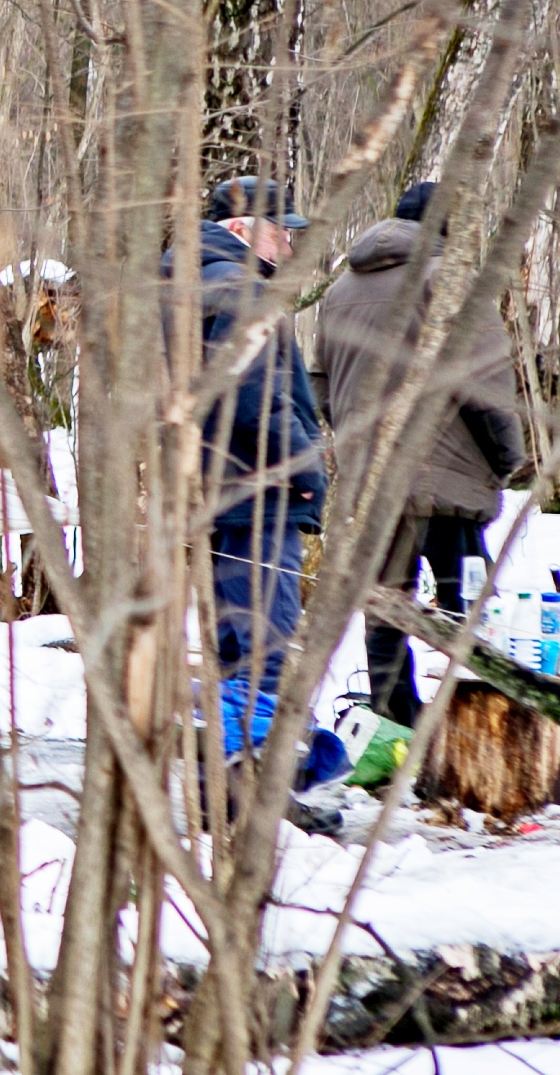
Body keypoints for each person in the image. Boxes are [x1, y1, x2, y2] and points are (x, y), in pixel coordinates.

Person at [313, 182, 526, 726]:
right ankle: (477, 735)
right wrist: (507, 457)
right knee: (476, 619)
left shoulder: (340, 291)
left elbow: (319, 386)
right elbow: (484, 386)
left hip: (370, 481)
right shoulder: (449, 282)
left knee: (385, 606)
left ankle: (390, 727)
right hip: (445, 484)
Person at [165, 176, 331, 767]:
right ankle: (259, 785)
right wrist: (304, 466)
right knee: (263, 639)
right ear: (240, 230)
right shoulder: (236, 287)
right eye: (280, 232)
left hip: (221, 491)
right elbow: (253, 394)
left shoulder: (194, 280)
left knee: (237, 643)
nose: (288, 245)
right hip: (258, 491)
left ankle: (234, 781)